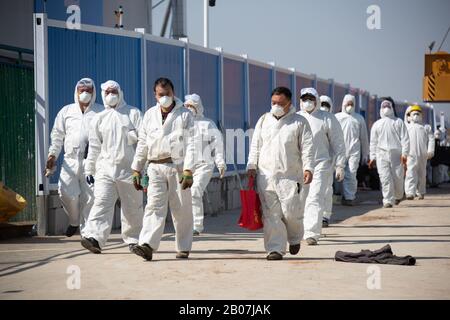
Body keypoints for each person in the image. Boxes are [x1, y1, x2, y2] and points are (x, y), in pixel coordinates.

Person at [131, 78, 196, 261]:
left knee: (181, 208)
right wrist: (136, 168)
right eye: (161, 94)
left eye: (168, 94)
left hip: (178, 166)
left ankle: (183, 247)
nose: (165, 97)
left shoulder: (185, 115)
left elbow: (192, 144)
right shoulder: (149, 115)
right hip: (154, 167)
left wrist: (188, 170)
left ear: (173, 93)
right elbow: (142, 143)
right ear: (155, 95)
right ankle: (147, 245)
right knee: (153, 206)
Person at [247, 86, 314, 260]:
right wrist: (251, 165)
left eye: (280, 103)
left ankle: (294, 238)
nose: (276, 106)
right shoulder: (263, 120)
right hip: (266, 176)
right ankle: (275, 248)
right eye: (273, 102)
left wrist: (308, 168)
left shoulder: (299, 122)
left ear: (289, 103)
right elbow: (256, 145)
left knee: (291, 212)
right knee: (271, 215)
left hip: (290, 176)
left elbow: (307, 148)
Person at [81, 80, 144, 254]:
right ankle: (95, 238)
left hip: (130, 170)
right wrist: (89, 169)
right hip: (105, 169)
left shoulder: (133, 113)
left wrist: (141, 168)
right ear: (102, 94)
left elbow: (144, 142)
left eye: (114, 91)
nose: (111, 95)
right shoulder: (99, 119)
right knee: (101, 202)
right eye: (107, 92)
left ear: (120, 92)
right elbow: (94, 146)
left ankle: (134, 239)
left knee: (132, 206)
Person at [46, 78, 103, 237]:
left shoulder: (100, 112)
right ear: (76, 92)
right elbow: (57, 136)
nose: (85, 93)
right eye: (81, 90)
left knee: (90, 198)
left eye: (88, 90)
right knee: (65, 192)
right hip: (70, 161)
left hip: (91, 162)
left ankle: (87, 234)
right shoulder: (66, 111)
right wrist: (52, 155)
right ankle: (73, 221)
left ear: (94, 93)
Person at [298, 89, 346, 245]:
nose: (308, 101)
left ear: (317, 100)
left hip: (320, 164)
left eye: (311, 98)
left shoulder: (327, 118)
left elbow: (338, 143)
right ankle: (299, 230)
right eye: (304, 98)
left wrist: (340, 165)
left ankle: (312, 233)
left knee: (315, 197)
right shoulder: (296, 118)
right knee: (300, 199)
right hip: (299, 166)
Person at [184, 93, 226, 235]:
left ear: (198, 107)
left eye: (192, 106)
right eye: (187, 106)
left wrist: (220, 163)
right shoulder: (181, 124)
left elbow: (217, 146)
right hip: (186, 167)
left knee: (195, 190)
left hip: (204, 164)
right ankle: (186, 225)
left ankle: (197, 226)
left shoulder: (208, 124)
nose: (189, 108)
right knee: (184, 195)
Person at [369, 98, 410, 208]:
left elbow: (405, 139)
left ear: (392, 108)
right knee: (385, 178)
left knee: (398, 178)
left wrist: (404, 154)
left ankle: (398, 196)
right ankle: (387, 200)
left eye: (388, 106)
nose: (386, 109)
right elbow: (373, 142)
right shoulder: (377, 124)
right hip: (381, 155)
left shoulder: (398, 122)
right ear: (381, 109)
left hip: (397, 155)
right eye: (384, 107)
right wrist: (372, 157)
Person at [335, 94, 369, 206]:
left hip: (354, 151)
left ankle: (349, 197)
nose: (349, 106)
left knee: (352, 174)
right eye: (347, 104)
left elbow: (364, 138)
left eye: (351, 104)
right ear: (343, 104)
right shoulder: (337, 117)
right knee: (339, 174)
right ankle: (339, 195)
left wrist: (365, 154)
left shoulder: (359, 119)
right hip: (340, 151)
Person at [404, 105, 435, 200]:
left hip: (423, 154)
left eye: (418, 113)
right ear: (409, 116)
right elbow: (402, 140)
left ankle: (421, 192)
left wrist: (431, 151)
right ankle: (410, 192)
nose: (416, 115)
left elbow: (431, 139)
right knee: (411, 172)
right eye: (414, 113)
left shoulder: (426, 127)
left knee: (422, 174)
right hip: (410, 154)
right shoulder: (406, 127)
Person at [319, 95, 339, 227]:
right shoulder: (308, 119)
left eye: (326, 104)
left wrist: (339, 165)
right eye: (322, 104)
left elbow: (338, 144)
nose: (324, 107)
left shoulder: (333, 120)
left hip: (327, 162)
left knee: (326, 189)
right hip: (309, 162)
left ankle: (325, 216)